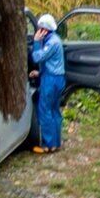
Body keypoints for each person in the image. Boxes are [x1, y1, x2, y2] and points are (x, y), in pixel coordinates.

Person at [31, 14, 66, 154]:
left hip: (51, 80)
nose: (38, 31)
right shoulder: (56, 40)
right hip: (58, 78)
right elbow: (53, 63)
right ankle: (56, 143)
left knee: (45, 110)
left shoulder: (51, 43)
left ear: (45, 30)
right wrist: (39, 73)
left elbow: (36, 57)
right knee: (54, 110)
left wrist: (35, 42)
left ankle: (47, 145)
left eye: (40, 29)